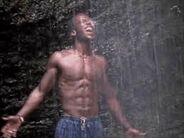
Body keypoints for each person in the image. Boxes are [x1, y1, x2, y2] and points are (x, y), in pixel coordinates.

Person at [1, 12, 145, 138]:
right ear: (73, 32)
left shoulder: (101, 62)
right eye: (83, 22)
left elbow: (110, 97)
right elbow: (40, 91)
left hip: (94, 126)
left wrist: (127, 127)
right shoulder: (60, 58)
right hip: (69, 125)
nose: (90, 25)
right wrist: (20, 117)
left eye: (91, 22)